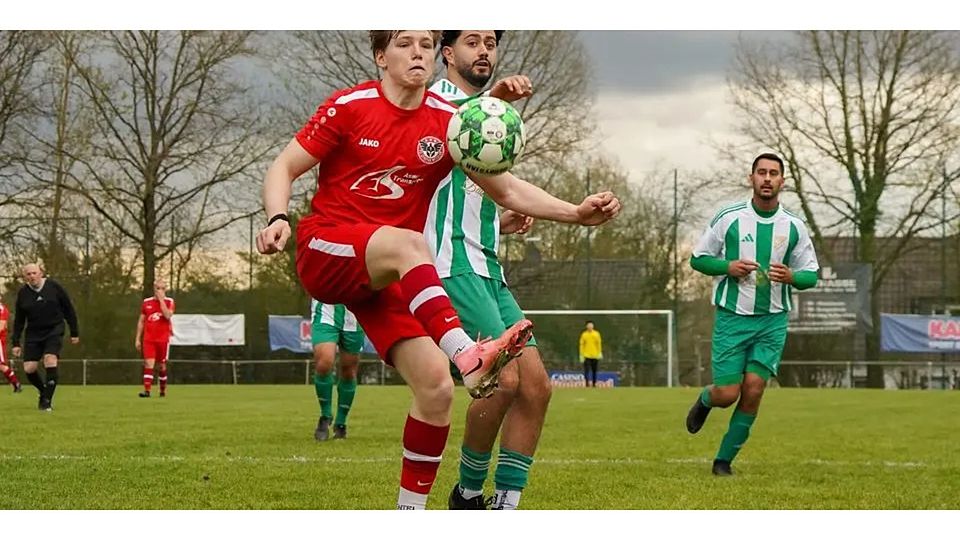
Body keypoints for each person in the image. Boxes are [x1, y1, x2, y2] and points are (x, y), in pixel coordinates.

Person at [256, 30, 620, 509]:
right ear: (381, 57)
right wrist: (278, 218)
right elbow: (283, 166)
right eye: (405, 43)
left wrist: (575, 212)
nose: (418, 52)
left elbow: (508, 190)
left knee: (436, 388)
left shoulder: (448, 123)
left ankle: (411, 511)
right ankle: (468, 355)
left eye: (426, 44)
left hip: (386, 275)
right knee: (411, 244)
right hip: (327, 250)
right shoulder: (350, 106)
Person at [427, 30, 554, 511]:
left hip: (486, 265)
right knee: (501, 380)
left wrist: (499, 223)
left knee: (536, 386)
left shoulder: (486, 118)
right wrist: (493, 100)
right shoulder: (435, 104)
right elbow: (447, 132)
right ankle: (467, 495)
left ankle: (505, 504)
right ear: (447, 53)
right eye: (472, 41)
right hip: (451, 265)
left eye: (491, 43)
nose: (484, 50)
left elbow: (474, 192)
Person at [685, 152, 819, 476]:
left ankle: (723, 462)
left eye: (773, 173)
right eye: (762, 172)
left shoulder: (794, 226)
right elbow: (698, 259)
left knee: (755, 389)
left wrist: (792, 276)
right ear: (752, 178)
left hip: (772, 320)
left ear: (782, 181)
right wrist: (727, 266)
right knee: (728, 393)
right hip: (732, 317)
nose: (767, 178)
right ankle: (707, 399)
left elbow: (811, 274)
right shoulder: (729, 218)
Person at [10, 263, 80, 411]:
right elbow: (19, 320)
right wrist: (15, 342)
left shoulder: (54, 287)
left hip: (54, 329)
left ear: (41, 273)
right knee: (29, 368)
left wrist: (74, 332)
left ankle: (46, 402)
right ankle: (43, 391)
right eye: (28, 274)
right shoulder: (23, 293)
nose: (32, 276)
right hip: (34, 333)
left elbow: (68, 309)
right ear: (25, 277)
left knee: (50, 359)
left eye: (34, 273)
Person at [310, 299, 364, 441]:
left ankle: (341, 423)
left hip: (354, 315)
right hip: (326, 310)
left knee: (349, 370)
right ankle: (325, 415)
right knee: (324, 362)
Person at [135, 279, 175, 398]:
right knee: (149, 363)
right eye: (158, 288)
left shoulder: (169, 301)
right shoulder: (146, 302)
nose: (160, 291)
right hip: (149, 339)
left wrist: (161, 300)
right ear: (154, 289)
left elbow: (167, 315)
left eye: (162, 288)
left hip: (163, 339)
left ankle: (162, 390)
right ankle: (147, 390)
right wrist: (137, 338)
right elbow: (141, 321)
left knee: (161, 366)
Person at [0, 299, 23, 393]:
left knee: (1, 365)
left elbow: (1, 327)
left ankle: (15, 382)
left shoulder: (2, 310)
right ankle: (16, 383)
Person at [579, 320, 602, 388]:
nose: (590, 326)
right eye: (588, 325)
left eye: (591, 325)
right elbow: (581, 345)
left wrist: (599, 352)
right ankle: (587, 384)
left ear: (593, 326)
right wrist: (581, 354)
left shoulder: (596, 334)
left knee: (594, 371)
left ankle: (594, 384)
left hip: (595, 355)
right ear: (586, 326)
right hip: (586, 355)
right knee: (586, 371)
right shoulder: (584, 334)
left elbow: (599, 344)